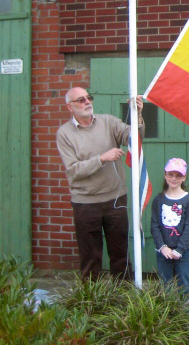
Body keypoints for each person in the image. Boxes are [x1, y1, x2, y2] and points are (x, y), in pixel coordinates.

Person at [56, 87, 144, 281]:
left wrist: (137, 116)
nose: (87, 102)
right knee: (90, 258)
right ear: (69, 107)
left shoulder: (108, 122)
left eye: (88, 98)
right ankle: (91, 301)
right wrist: (102, 158)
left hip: (115, 199)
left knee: (120, 255)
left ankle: (124, 299)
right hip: (85, 203)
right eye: (80, 100)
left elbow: (133, 140)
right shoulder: (65, 134)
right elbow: (73, 170)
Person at [151, 158, 189, 294]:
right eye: (170, 175)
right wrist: (162, 247)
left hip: (184, 251)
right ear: (165, 175)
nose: (174, 178)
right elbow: (155, 225)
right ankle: (169, 314)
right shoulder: (159, 199)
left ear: (184, 177)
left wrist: (180, 249)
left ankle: (186, 314)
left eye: (178, 175)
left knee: (184, 286)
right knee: (166, 286)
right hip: (163, 252)